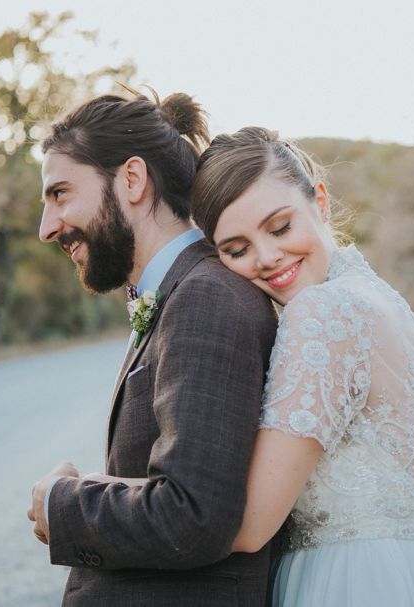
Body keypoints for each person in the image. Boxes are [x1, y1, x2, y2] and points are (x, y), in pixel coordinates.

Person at [189, 127, 414, 606]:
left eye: (279, 227)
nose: (268, 257)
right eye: (236, 250)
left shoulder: (322, 312)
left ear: (320, 200)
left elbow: (250, 527)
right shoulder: (379, 296)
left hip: (348, 583)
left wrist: (95, 495)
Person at [26, 92, 278, 606]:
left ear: (133, 180)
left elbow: (193, 514)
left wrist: (61, 503)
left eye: (61, 194)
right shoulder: (178, 293)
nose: (47, 227)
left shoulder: (206, 297)